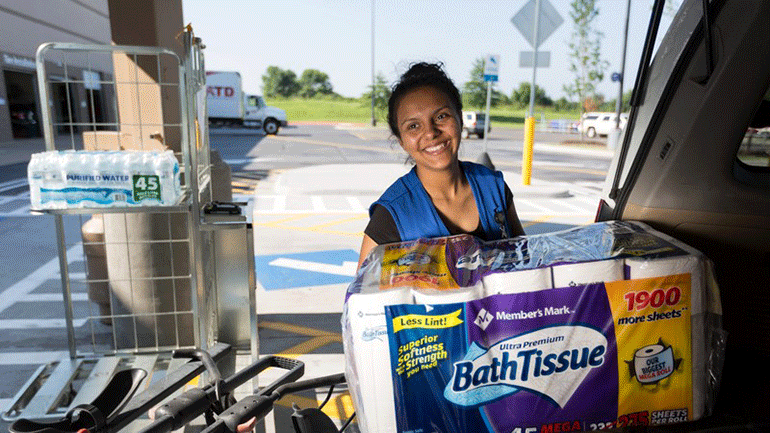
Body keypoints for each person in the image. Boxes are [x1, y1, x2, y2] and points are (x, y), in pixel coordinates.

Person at [357, 62, 525, 268]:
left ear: (460, 119)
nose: (430, 133)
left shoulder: (494, 188)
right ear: (401, 141)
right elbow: (360, 297)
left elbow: (525, 263)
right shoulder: (392, 215)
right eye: (413, 126)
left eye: (441, 116)